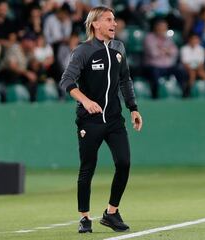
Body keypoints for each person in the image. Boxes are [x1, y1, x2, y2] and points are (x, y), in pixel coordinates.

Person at [59, 6, 143, 234]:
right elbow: (66, 81)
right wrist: (85, 101)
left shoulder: (119, 48)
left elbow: (125, 80)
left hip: (115, 119)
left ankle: (111, 213)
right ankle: (85, 218)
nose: (114, 23)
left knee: (124, 163)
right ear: (95, 24)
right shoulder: (83, 51)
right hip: (90, 121)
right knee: (87, 168)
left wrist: (133, 108)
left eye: (114, 19)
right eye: (108, 20)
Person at [144, 18, 187, 98]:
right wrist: (167, 51)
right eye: (160, 27)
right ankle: (155, 95)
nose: (162, 29)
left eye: (164, 27)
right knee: (154, 73)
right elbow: (153, 53)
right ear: (156, 27)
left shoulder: (168, 38)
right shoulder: (149, 38)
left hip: (168, 66)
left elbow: (175, 52)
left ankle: (183, 93)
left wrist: (162, 49)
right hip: (154, 66)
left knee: (181, 71)